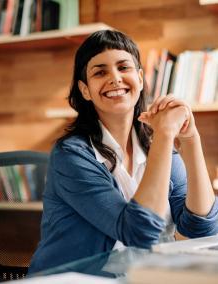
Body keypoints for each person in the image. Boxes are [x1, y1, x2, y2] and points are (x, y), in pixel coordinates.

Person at [28, 29, 218, 273]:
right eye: (100, 72)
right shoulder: (71, 155)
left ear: (140, 78)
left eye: (123, 67)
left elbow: (202, 230)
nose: (115, 78)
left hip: (144, 276)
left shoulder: (157, 146)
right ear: (85, 90)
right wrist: (164, 134)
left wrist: (190, 139)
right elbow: (138, 232)